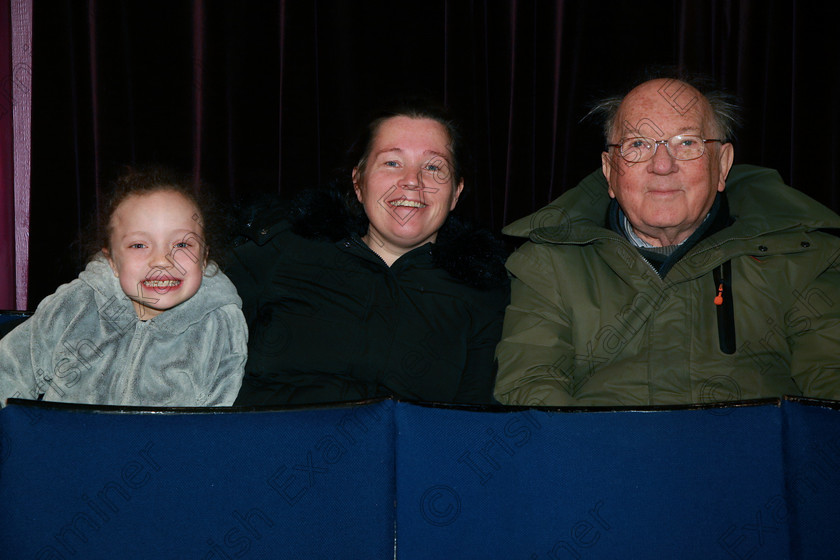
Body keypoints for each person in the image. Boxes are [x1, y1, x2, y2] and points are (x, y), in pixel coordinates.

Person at [494, 75, 840, 406]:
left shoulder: (803, 258)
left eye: (686, 142)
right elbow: (531, 389)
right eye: (638, 144)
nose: (662, 165)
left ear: (722, 165)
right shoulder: (548, 265)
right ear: (609, 172)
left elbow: (829, 388)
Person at [229, 102, 509, 406]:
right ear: (358, 182)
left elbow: (473, 424)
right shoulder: (281, 251)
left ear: (456, 192)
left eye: (433, 167)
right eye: (392, 163)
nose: (412, 181)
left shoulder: (484, 296)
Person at [0, 167, 247, 407]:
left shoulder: (219, 323)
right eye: (139, 245)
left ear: (203, 259)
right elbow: (9, 371)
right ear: (112, 262)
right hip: (63, 445)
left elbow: (215, 419)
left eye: (182, 244)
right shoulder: (75, 304)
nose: (162, 260)